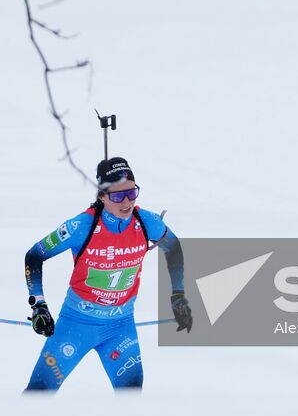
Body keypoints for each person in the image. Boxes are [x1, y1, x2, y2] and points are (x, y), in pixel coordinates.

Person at [22, 156, 192, 393]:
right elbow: (34, 255)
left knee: (131, 397)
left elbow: (174, 248)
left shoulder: (146, 222)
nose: (126, 202)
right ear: (101, 196)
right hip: (76, 324)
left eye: (132, 193)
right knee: (38, 393)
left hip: (120, 326)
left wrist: (178, 295)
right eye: (117, 195)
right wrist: (38, 305)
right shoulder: (82, 226)